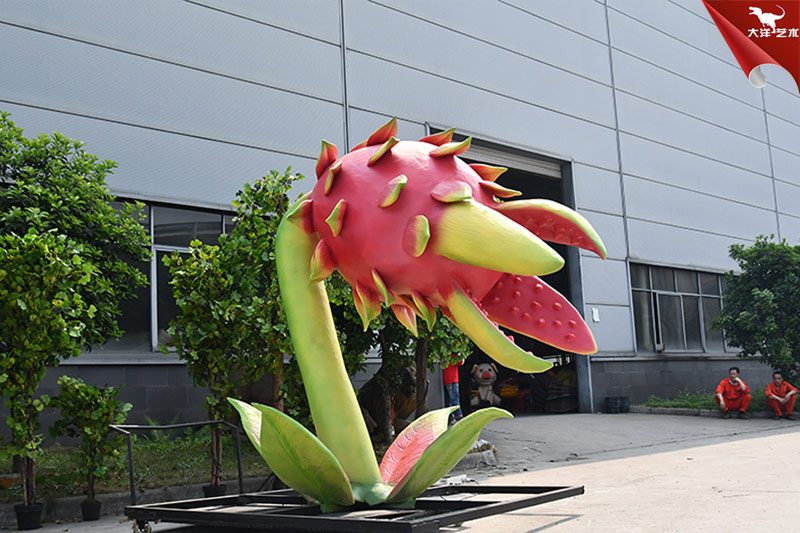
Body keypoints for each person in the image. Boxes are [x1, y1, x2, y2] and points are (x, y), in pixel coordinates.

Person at [442, 354, 464, 425]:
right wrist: (460, 354)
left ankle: (451, 418)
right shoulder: (453, 356)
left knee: (448, 401)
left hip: (445, 380)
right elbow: (461, 362)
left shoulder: (444, 356)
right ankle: (459, 418)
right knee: (455, 400)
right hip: (452, 380)